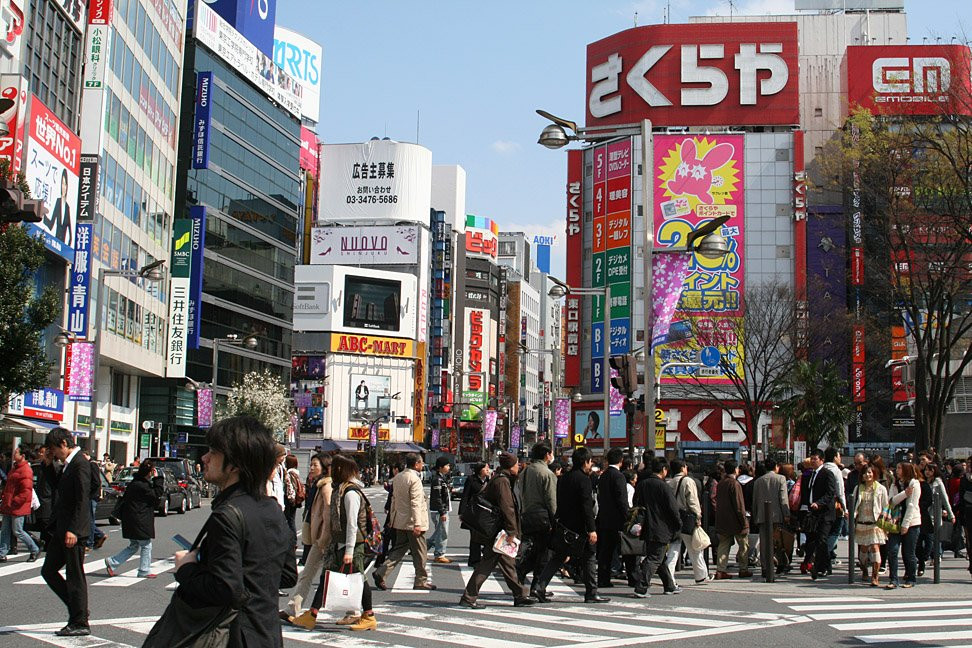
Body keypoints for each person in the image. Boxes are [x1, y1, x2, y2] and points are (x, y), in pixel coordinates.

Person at [170, 417, 298, 647]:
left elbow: (225, 588)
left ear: (235, 464)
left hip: (231, 635)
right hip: (267, 633)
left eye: (213, 452)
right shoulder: (273, 509)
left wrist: (186, 567)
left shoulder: (227, 515)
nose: (204, 458)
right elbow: (288, 575)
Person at [291, 455, 377, 631]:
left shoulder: (351, 493)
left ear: (340, 470)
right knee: (326, 578)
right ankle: (312, 614)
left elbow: (353, 525)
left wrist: (349, 551)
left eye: (335, 468)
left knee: (359, 579)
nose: (331, 471)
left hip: (351, 544)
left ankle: (369, 615)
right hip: (339, 543)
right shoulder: (341, 489)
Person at [459, 452, 536, 609]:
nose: (519, 466)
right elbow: (507, 507)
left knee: (505, 562)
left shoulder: (501, 478)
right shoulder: (502, 481)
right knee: (489, 563)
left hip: (496, 530)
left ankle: (519, 594)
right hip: (498, 531)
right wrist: (512, 531)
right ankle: (469, 597)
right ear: (510, 466)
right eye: (516, 464)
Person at [531, 447, 606, 604]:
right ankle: (591, 593)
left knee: (558, 557)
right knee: (589, 557)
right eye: (590, 461)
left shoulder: (564, 478)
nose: (590, 464)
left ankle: (540, 586)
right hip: (581, 527)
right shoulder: (584, 480)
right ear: (585, 462)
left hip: (565, 526)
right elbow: (587, 507)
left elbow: (559, 502)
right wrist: (592, 529)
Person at [40, 428, 92, 637]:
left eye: (53, 449)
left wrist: (75, 530)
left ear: (63, 443)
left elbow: (83, 498)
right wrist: (47, 465)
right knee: (49, 570)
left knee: (75, 576)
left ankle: (79, 621)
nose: (54, 454)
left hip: (73, 530)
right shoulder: (69, 464)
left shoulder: (80, 463)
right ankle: (78, 609)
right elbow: (59, 488)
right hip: (63, 528)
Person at [373, 453, 434, 590]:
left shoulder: (399, 477)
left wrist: (392, 519)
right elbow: (416, 502)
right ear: (416, 464)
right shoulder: (414, 479)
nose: (422, 465)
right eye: (421, 463)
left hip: (399, 521)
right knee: (420, 552)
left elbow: (394, 500)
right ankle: (420, 580)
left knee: (398, 550)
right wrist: (418, 523)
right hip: (413, 522)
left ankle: (381, 572)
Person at [284, 454, 332, 619]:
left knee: (335, 574)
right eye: (311, 465)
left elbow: (327, 512)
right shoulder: (317, 484)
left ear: (324, 468)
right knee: (308, 574)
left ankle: (354, 610)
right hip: (318, 536)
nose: (311, 468)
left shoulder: (326, 486)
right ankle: (292, 609)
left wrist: (324, 537)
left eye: (315, 465)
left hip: (322, 538)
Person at [104, 460, 163, 578]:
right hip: (139, 519)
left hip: (131, 519)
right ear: (150, 472)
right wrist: (158, 479)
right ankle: (144, 570)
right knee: (146, 545)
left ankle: (112, 562)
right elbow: (157, 494)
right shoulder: (142, 485)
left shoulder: (136, 482)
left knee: (134, 545)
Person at [632, 457, 681, 597]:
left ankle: (669, 586)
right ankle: (641, 587)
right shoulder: (663, 486)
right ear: (664, 470)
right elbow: (673, 508)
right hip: (661, 527)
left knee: (660, 557)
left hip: (647, 526)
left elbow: (636, 504)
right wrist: (678, 524)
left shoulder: (642, 484)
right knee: (655, 558)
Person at [517, 444, 557, 588]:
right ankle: (537, 586)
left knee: (536, 550)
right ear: (547, 454)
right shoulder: (547, 473)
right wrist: (555, 521)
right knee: (544, 553)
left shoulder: (525, 472)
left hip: (527, 515)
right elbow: (552, 501)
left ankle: (522, 571)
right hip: (543, 517)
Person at [665, 459, 710, 585]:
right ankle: (701, 576)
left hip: (674, 518)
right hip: (687, 517)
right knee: (694, 547)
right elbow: (693, 501)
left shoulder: (669, 483)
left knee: (674, 548)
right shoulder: (688, 481)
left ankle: (669, 576)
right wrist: (698, 516)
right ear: (683, 468)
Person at [595, 447, 629, 589]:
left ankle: (603, 578)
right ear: (621, 461)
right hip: (617, 520)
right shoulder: (619, 476)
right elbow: (621, 499)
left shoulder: (603, 476)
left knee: (605, 552)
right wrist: (627, 516)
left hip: (603, 518)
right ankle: (632, 577)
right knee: (626, 550)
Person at [752, 458, 791, 577]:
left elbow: (755, 501)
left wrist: (755, 515)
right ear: (775, 467)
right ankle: (781, 563)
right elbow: (783, 498)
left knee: (764, 543)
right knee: (779, 541)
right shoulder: (780, 479)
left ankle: (765, 567)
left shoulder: (758, 481)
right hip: (777, 515)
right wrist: (787, 514)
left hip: (762, 515)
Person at [0, 445, 40, 562]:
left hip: (17, 506)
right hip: (9, 504)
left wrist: (13, 501)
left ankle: (34, 549)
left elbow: (25, 492)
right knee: (5, 529)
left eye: (16, 452)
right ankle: (2, 553)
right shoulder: (15, 468)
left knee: (18, 530)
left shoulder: (26, 470)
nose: (14, 454)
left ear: (22, 456)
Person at [714, 460, 751, 580]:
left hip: (723, 520)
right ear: (736, 469)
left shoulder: (721, 483)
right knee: (743, 545)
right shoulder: (735, 484)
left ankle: (720, 570)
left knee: (723, 544)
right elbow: (739, 505)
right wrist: (743, 520)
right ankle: (743, 569)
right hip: (736, 521)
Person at [886, 462, 921, 589]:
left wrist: (905, 525)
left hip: (911, 523)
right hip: (895, 522)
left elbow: (912, 506)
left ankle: (911, 578)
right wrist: (904, 494)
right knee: (892, 550)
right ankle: (893, 579)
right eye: (897, 468)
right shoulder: (895, 484)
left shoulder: (914, 484)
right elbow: (891, 501)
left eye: (900, 468)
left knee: (908, 553)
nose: (897, 470)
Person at [854, 463, 888, 587]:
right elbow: (855, 505)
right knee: (863, 549)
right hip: (862, 523)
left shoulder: (880, 488)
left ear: (874, 473)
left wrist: (884, 515)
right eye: (865, 473)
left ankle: (875, 576)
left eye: (869, 472)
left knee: (875, 548)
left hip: (875, 523)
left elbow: (886, 505)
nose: (867, 475)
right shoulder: (859, 488)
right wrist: (852, 514)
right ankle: (864, 570)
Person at [806, 449, 838, 581]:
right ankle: (826, 565)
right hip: (813, 513)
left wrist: (819, 503)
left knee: (822, 540)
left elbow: (830, 493)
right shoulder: (810, 474)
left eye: (815, 459)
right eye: (811, 458)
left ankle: (821, 567)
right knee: (814, 540)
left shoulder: (827, 474)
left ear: (822, 460)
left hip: (825, 513)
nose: (813, 461)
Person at [918, 463, 954, 577]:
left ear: (935, 471)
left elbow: (945, 499)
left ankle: (927, 558)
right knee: (920, 540)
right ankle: (924, 559)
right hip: (922, 515)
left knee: (930, 540)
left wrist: (950, 514)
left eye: (930, 470)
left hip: (934, 515)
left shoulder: (938, 482)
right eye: (926, 470)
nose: (927, 472)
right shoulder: (922, 483)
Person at [459, 462, 490, 566]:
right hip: (474, 513)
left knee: (486, 536)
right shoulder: (471, 480)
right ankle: (474, 560)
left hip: (486, 514)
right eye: (486, 467)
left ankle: (485, 559)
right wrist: (462, 512)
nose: (488, 469)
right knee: (474, 537)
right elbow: (465, 496)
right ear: (480, 469)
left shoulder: (489, 480)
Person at [428, 456, 452, 563]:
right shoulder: (437, 480)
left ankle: (423, 547)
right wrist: (442, 512)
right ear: (440, 467)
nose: (449, 467)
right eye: (447, 465)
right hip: (439, 511)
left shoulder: (441, 478)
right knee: (442, 532)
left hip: (442, 510)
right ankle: (439, 554)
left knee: (439, 532)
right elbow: (437, 497)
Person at [82, 451, 107, 551]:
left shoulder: (92, 464)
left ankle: (90, 542)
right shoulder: (91, 464)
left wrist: (89, 494)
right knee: (88, 519)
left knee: (90, 519)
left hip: (92, 497)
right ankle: (99, 535)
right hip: (92, 496)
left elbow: (96, 482)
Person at [283, 454, 302, 539]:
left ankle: (292, 540)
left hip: (290, 499)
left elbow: (289, 487)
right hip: (295, 499)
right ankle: (293, 540)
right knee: (291, 519)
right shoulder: (296, 473)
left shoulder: (290, 473)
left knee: (289, 520)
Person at [268, 444, 287, 511]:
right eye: (282, 455)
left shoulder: (280, 467)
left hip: (279, 501)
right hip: (272, 501)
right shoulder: (270, 467)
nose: (283, 458)